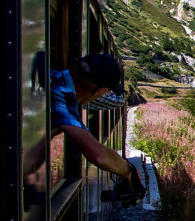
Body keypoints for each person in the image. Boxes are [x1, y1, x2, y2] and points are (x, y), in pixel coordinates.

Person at [46, 53, 144, 199]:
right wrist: (129, 171)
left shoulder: (52, 76)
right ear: (101, 91)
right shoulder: (62, 96)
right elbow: (98, 155)